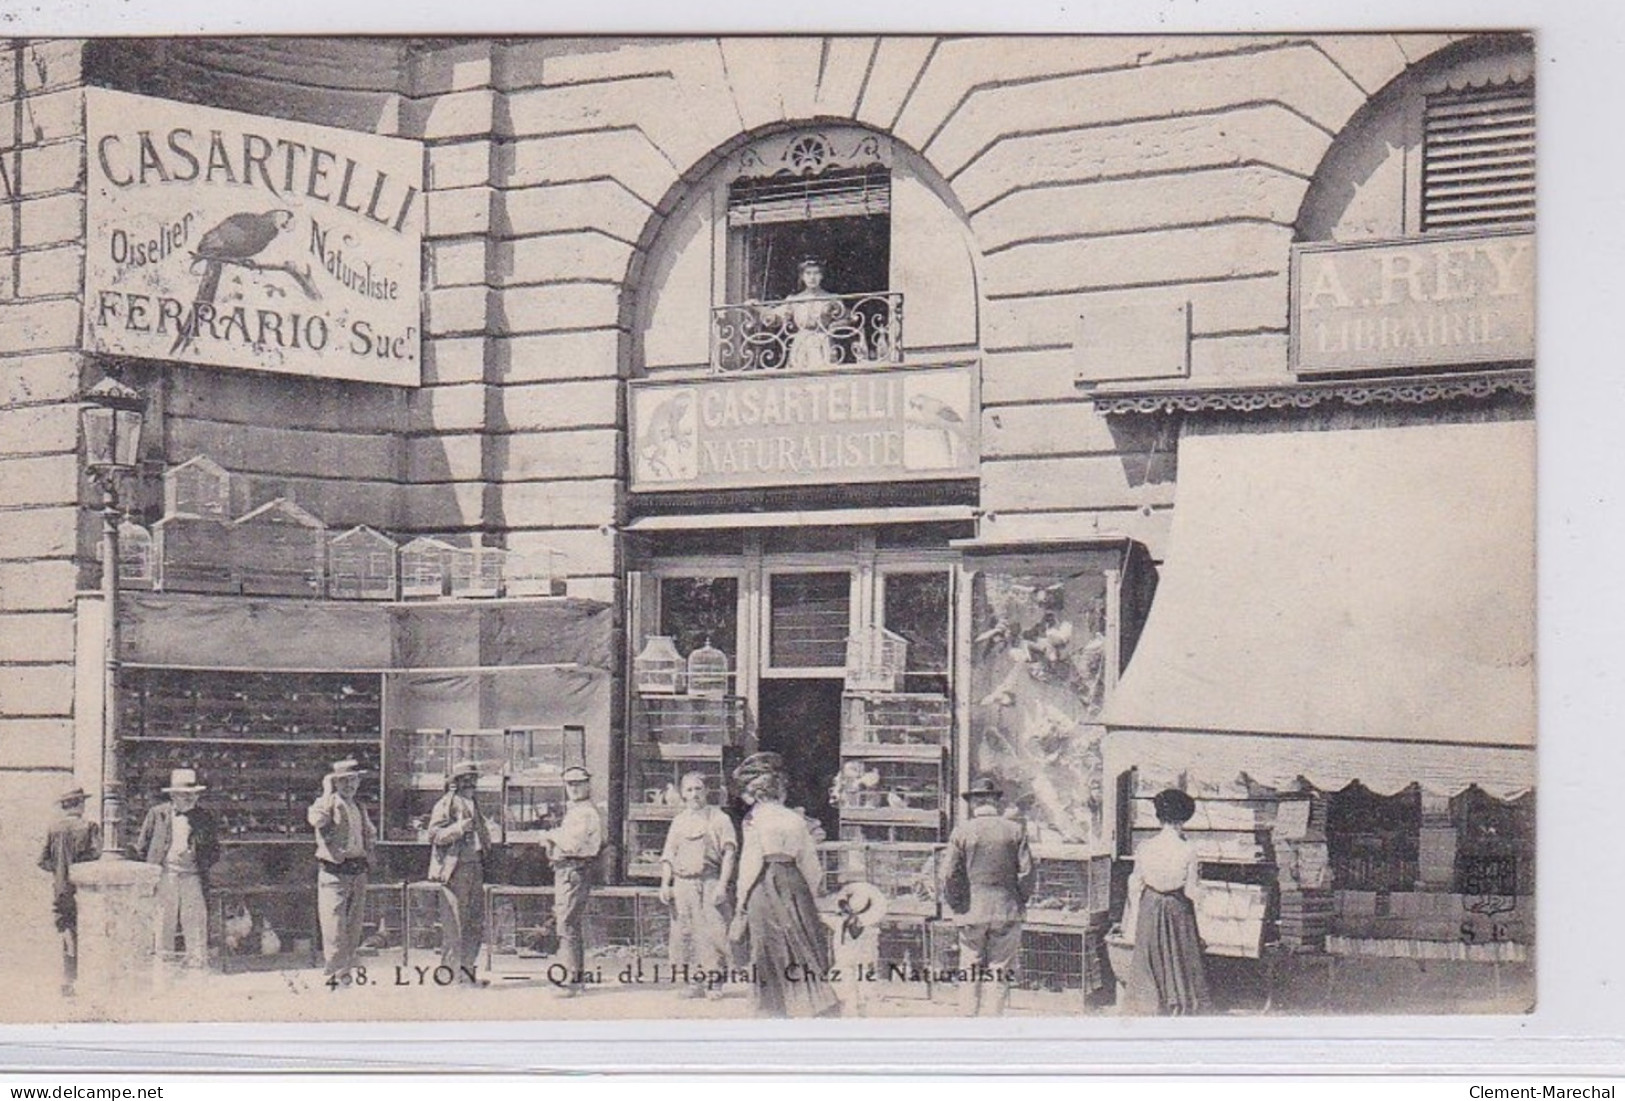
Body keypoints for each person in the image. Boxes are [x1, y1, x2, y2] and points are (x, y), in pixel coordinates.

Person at [728, 751, 840, 1018]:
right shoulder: (795, 819)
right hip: (793, 881)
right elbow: (810, 863)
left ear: (756, 794)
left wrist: (742, 901)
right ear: (779, 791)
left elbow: (750, 862)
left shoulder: (754, 819)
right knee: (799, 937)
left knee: (766, 944)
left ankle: (771, 1006)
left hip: (765, 883)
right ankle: (811, 1000)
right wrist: (811, 894)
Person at [942, 776, 1034, 1016]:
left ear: (974, 803)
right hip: (1006, 909)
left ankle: (968, 1018)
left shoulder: (962, 832)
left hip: (972, 910)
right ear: (996, 802)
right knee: (1000, 968)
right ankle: (993, 1020)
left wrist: (958, 904)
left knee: (969, 964)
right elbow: (1026, 873)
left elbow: (949, 874)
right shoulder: (1015, 830)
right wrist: (1018, 900)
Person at [1123, 788, 1211, 1016]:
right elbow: (1191, 890)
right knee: (1179, 957)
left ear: (1159, 817)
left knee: (1150, 957)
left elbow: (1135, 883)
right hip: (1177, 907)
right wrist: (1205, 900)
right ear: (1183, 819)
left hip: (1150, 905)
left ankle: (1149, 1005)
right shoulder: (1188, 849)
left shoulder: (1145, 847)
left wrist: (1132, 919)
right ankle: (1178, 1002)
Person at [657, 770, 737, 999]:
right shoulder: (679, 821)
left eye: (698, 789)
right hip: (683, 885)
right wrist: (665, 883)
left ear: (707, 791)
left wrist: (722, 885)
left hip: (710, 882)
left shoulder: (719, 818)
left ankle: (715, 983)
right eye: (689, 790)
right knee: (686, 932)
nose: (694, 794)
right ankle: (693, 982)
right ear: (683, 794)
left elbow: (729, 853)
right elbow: (668, 855)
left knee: (714, 931)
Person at [135, 768, 219, 971]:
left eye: (194, 794)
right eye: (185, 794)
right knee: (164, 920)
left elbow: (215, 850)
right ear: (172, 795)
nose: (190, 798)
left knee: (195, 922)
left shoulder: (204, 817)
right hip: (165, 876)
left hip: (192, 877)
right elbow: (142, 846)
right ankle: (163, 967)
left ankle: (197, 967)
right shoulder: (157, 814)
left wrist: (198, 855)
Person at [307, 758, 377, 988]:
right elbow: (316, 820)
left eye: (353, 780)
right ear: (335, 783)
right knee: (334, 927)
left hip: (357, 869)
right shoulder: (327, 803)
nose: (350, 785)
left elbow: (367, 834)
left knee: (353, 927)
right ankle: (334, 974)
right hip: (334, 872)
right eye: (344, 781)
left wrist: (368, 849)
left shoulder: (359, 806)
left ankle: (345, 974)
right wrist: (326, 792)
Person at [540, 765, 603, 997]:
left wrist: (549, 835)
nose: (574, 788)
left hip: (573, 869)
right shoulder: (577, 810)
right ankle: (575, 979)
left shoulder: (584, 812)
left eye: (579, 783)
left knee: (566, 925)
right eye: (570, 784)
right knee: (568, 925)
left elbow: (572, 845)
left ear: (588, 784)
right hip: (568, 869)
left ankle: (570, 981)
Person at [426, 761, 492, 978]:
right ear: (455, 782)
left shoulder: (475, 804)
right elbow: (434, 835)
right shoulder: (445, 804)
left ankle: (466, 973)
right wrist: (458, 828)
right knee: (454, 924)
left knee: (474, 923)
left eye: (473, 778)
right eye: (465, 778)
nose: (470, 782)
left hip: (476, 868)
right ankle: (449, 975)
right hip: (456, 870)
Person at [38, 785, 101, 996]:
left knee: (67, 930)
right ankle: (87, 977)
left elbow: (42, 861)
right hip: (84, 889)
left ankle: (69, 978)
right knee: (88, 929)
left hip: (61, 889)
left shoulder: (54, 828)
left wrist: (59, 872)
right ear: (80, 804)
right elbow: (97, 856)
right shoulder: (90, 827)